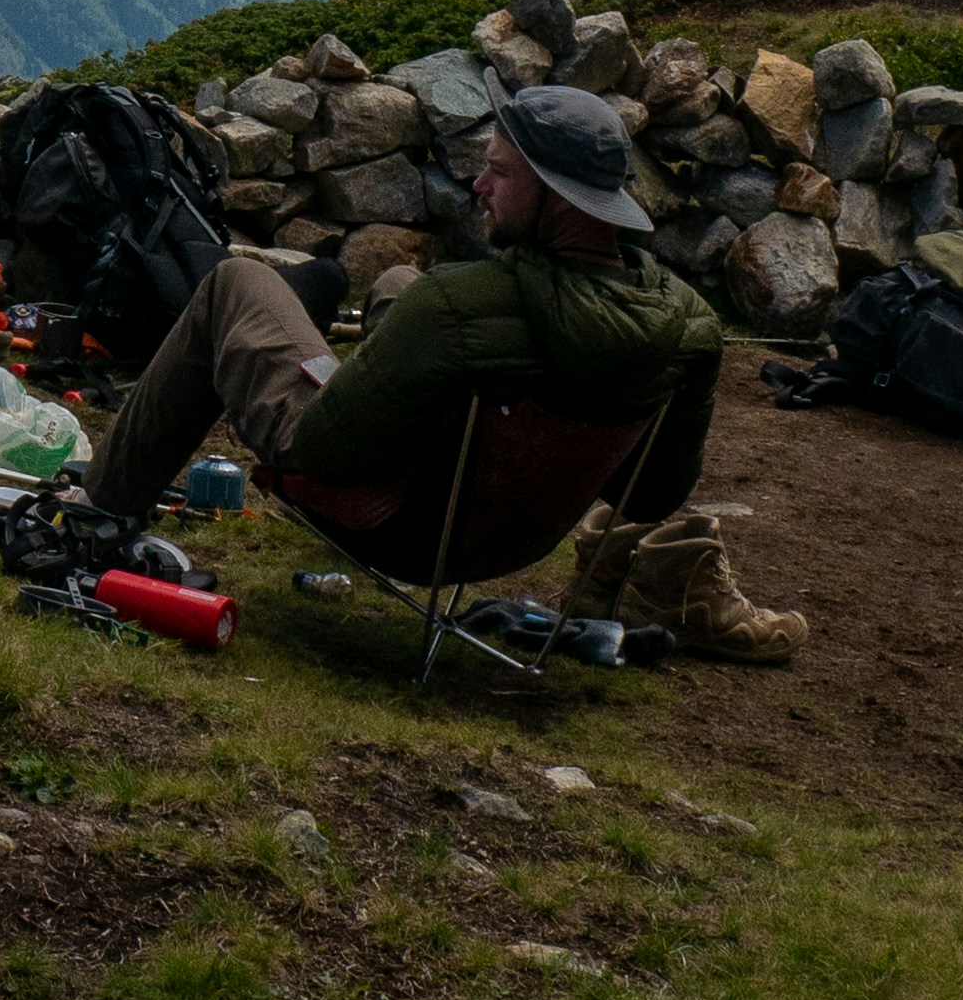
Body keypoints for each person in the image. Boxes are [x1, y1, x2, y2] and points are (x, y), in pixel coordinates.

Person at [87, 80, 803, 661]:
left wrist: (354, 387)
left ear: (557, 195)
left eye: (498, 172)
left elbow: (324, 452)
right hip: (506, 538)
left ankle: (99, 514)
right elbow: (652, 494)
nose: (477, 185)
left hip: (398, 526)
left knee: (236, 287)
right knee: (397, 282)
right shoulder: (688, 327)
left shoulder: (461, 306)